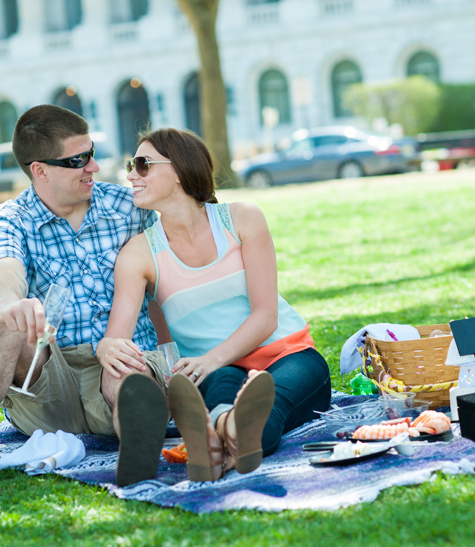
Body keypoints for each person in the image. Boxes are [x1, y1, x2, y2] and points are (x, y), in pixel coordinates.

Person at [0, 105, 172, 494]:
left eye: (90, 153)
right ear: (39, 169)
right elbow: (4, 268)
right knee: (3, 318)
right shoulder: (9, 219)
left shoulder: (130, 208)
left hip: (120, 368)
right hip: (47, 385)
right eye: (77, 160)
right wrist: (10, 302)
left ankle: (137, 452)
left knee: (125, 370)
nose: (92, 166)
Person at [98, 128, 332, 482]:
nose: (131, 174)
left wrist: (210, 359)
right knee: (239, 410)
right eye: (132, 165)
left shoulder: (242, 219)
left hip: (288, 354)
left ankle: (213, 441)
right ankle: (225, 427)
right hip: (214, 372)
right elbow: (118, 335)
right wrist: (107, 346)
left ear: (178, 171)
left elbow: (266, 317)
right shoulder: (138, 254)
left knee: (270, 409)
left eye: (142, 164)